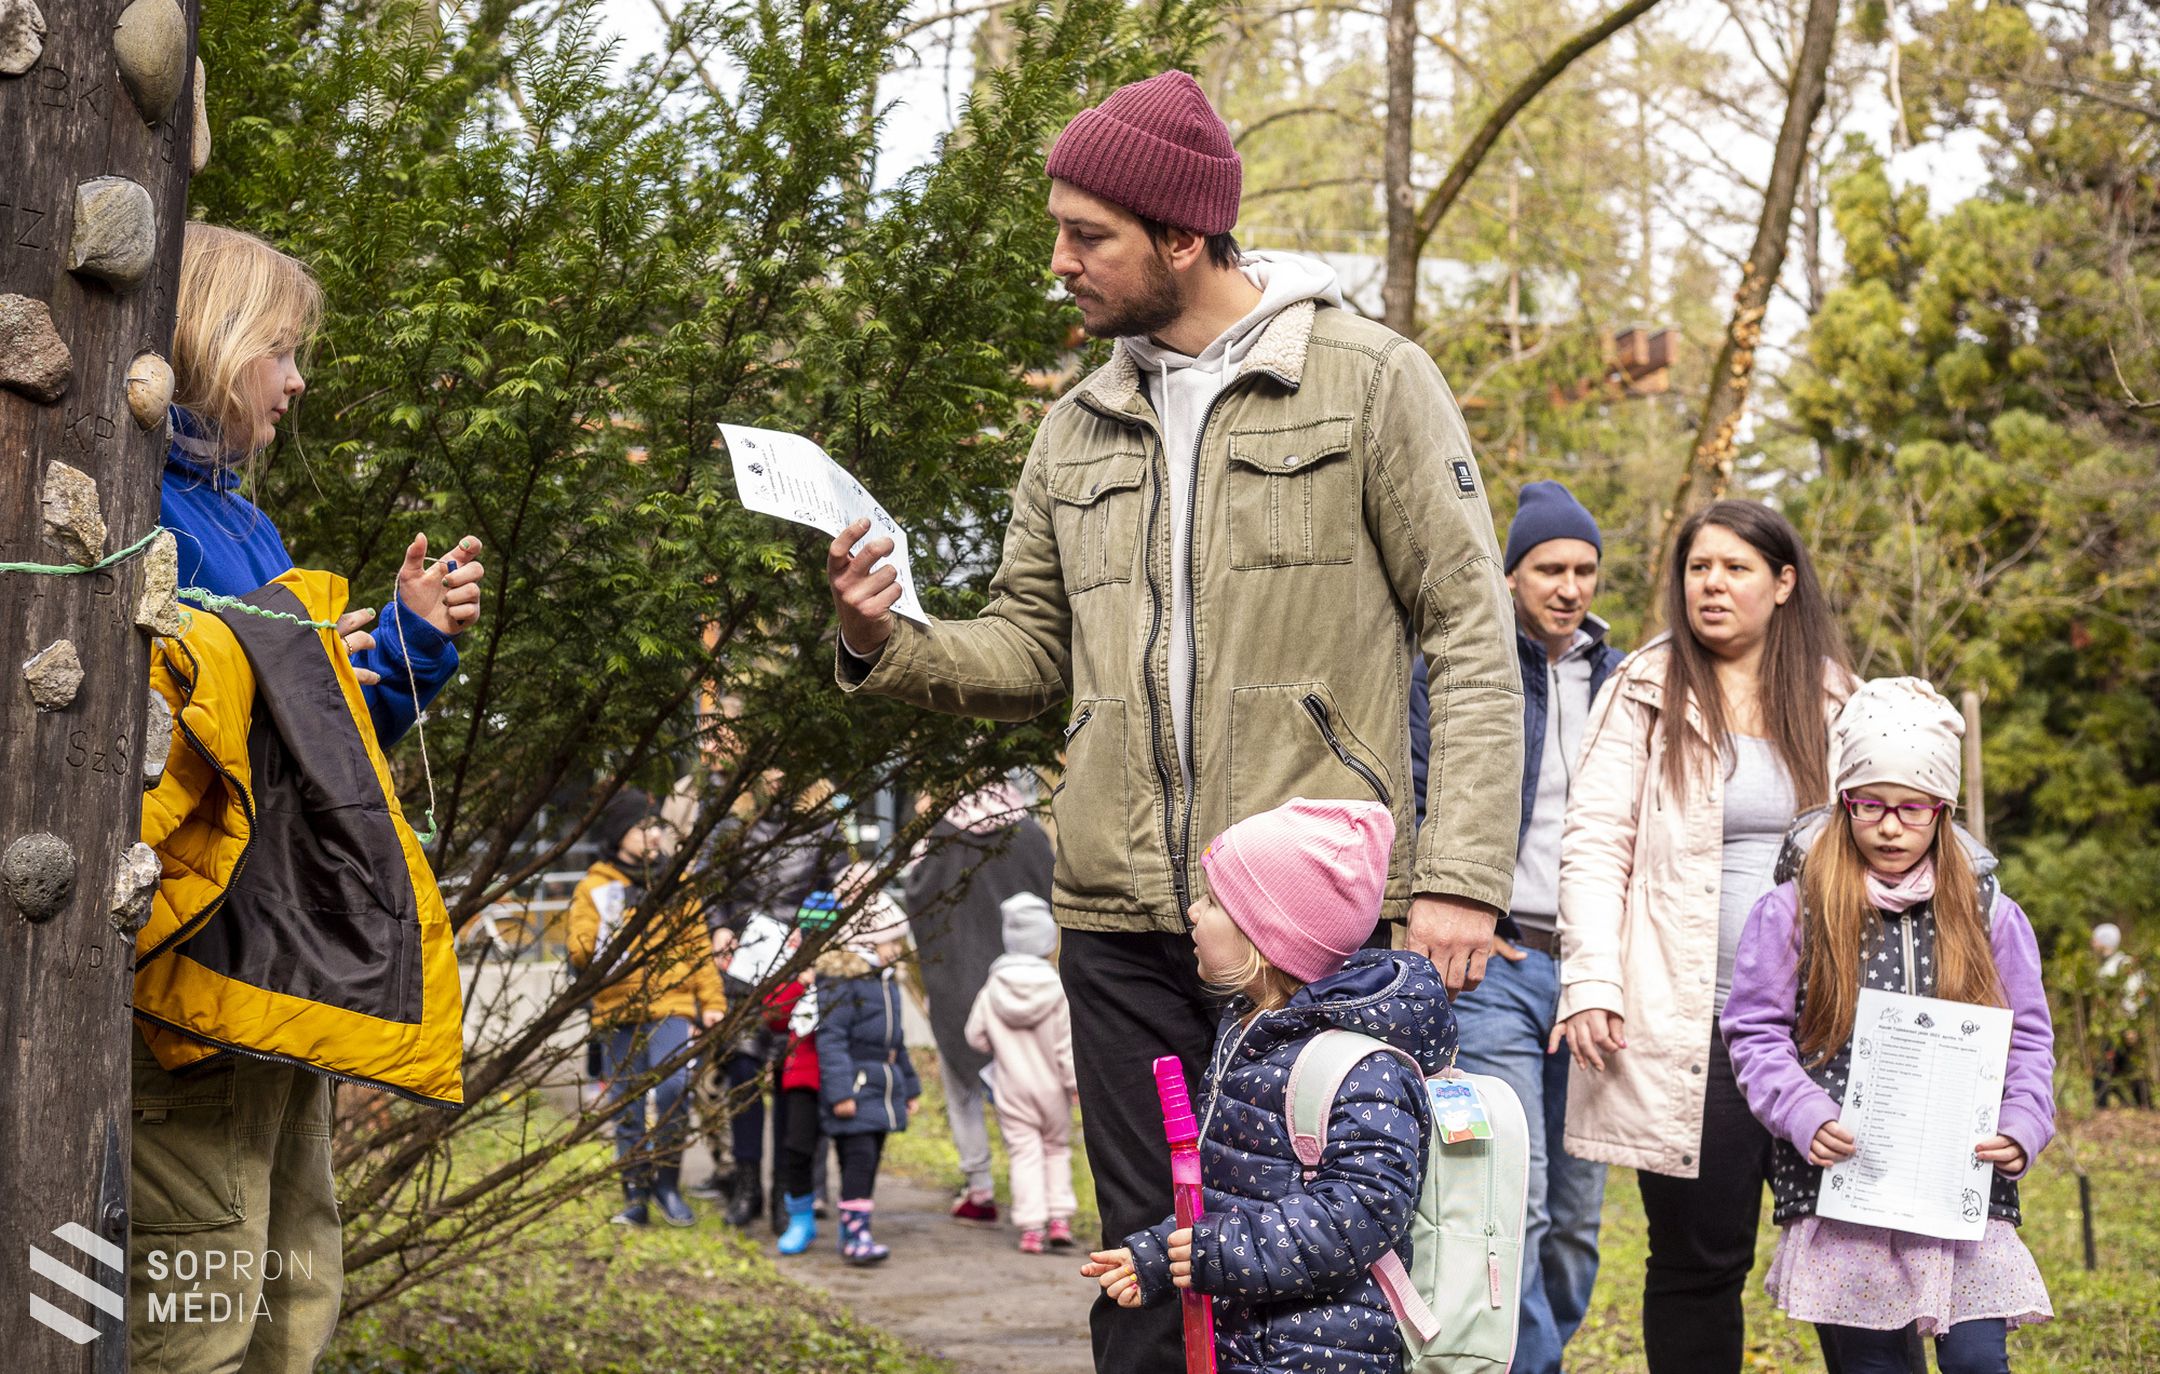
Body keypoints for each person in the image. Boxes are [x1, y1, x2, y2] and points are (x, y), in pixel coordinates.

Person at [825, 68, 1521, 1373]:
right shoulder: (1075, 430)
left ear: (1183, 238)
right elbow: (1030, 647)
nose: (1060, 264)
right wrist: (883, 638)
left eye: (1087, 236)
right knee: (1142, 1277)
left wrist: (1463, 876)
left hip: (1310, 936)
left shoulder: (1372, 383)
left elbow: (1471, 637)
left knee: (1315, 1267)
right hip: (1122, 925)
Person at [131, 224, 480, 1373]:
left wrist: (403, 650)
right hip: (195, 971)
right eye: (281, 350)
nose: (295, 381)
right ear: (209, 341)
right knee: (196, 1292)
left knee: (295, 1277)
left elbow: (309, 759)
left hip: (281, 972)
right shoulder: (137, 508)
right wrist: (277, 653)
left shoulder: (244, 521)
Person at [1553, 499, 1853, 1374]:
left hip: (1825, 1031)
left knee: (1858, 1253)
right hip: (1698, 1031)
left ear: (1784, 583)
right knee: (1698, 1263)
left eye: (1735, 568)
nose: (1711, 584)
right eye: (1697, 568)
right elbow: (1595, 841)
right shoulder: (1646, 684)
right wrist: (1593, 984)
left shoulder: (1835, 695)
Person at [1724, 677, 2056, 1370]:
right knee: (1874, 1364)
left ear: (1943, 811)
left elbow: (2026, 1035)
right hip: (1850, 1195)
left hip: (1963, 1195)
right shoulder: (1792, 911)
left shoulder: (1991, 914)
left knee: (1976, 1360)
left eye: (1913, 808)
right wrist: (1804, 1113)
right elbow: (1754, 1033)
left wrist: (2024, 1120)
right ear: (1844, 803)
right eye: (1870, 803)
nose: (1890, 824)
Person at [1078, 797, 1451, 1374]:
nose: (1192, 915)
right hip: (1251, 1345)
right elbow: (1233, 1198)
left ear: (1267, 935)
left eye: (1213, 902)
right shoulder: (1250, 1036)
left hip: (1323, 1355)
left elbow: (1364, 1210)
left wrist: (1215, 1254)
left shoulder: (1361, 1067)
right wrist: (1158, 1256)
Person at [1408, 480, 1621, 1374]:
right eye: (1548, 569)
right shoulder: (1467, 671)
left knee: (1575, 1223)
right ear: (1509, 578)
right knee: (1515, 1200)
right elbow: (1420, 792)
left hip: (1595, 975)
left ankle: (1537, 1352)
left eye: (1584, 570)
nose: (1569, 587)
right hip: (1495, 967)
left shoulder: (1628, 683)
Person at [567, 787, 729, 1228]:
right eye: (643, 826)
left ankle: (667, 1185)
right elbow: (580, 949)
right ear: (621, 834)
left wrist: (712, 1002)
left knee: (674, 1088)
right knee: (627, 1106)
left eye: (655, 825)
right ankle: (634, 1195)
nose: (653, 833)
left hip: (673, 1006)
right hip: (618, 1010)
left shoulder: (675, 883)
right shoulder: (596, 887)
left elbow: (697, 945)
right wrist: (616, 922)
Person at [696, 776, 845, 1226]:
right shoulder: (730, 824)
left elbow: (839, 889)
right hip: (742, 968)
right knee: (742, 1075)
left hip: (797, 972)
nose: (778, 778)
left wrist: (815, 940)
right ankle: (746, 1185)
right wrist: (719, 925)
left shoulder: (825, 828)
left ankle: (786, 1190)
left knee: (789, 1079)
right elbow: (709, 882)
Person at [906, 782, 1055, 1224]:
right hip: (1022, 981)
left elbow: (917, 900)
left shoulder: (941, 835)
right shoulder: (1027, 833)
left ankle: (979, 1187)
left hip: (955, 981)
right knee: (1020, 1087)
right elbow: (1053, 895)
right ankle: (1039, 1195)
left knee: (963, 1091)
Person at [812, 884, 923, 1264]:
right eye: (891, 941)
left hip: (883, 1084)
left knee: (869, 1158)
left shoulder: (885, 981)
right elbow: (831, 1039)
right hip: (857, 1087)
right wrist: (841, 1092)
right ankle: (856, 1235)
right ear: (868, 941)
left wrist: (910, 1086)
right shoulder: (844, 983)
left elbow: (898, 1041)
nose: (897, 948)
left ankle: (852, 1226)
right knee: (858, 1158)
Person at [966, 891, 1080, 1253]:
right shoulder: (1057, 988)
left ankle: (1031, 1228)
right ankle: (1060, 1219)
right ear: (1047, 940)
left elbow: (975, 1036)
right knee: (1056, 1149)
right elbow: (1065, 1046)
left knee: (1024, 1154)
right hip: (1053, 1090)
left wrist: (1000, 1043)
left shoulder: (993, 986)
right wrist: (1074, 1085)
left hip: (1011, 1087)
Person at [2090, 923, 2151, 1108]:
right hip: (2110, 1027)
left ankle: (2143, 1106)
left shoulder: (2123, 963)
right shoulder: (2104, 966)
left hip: (2123, 1027)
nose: (2092, 943)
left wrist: (2131, 1026)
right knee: (2120, 1068)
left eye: (2096, 938)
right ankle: (2140, 1106)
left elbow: (2133, 994)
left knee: (2115, 1067)